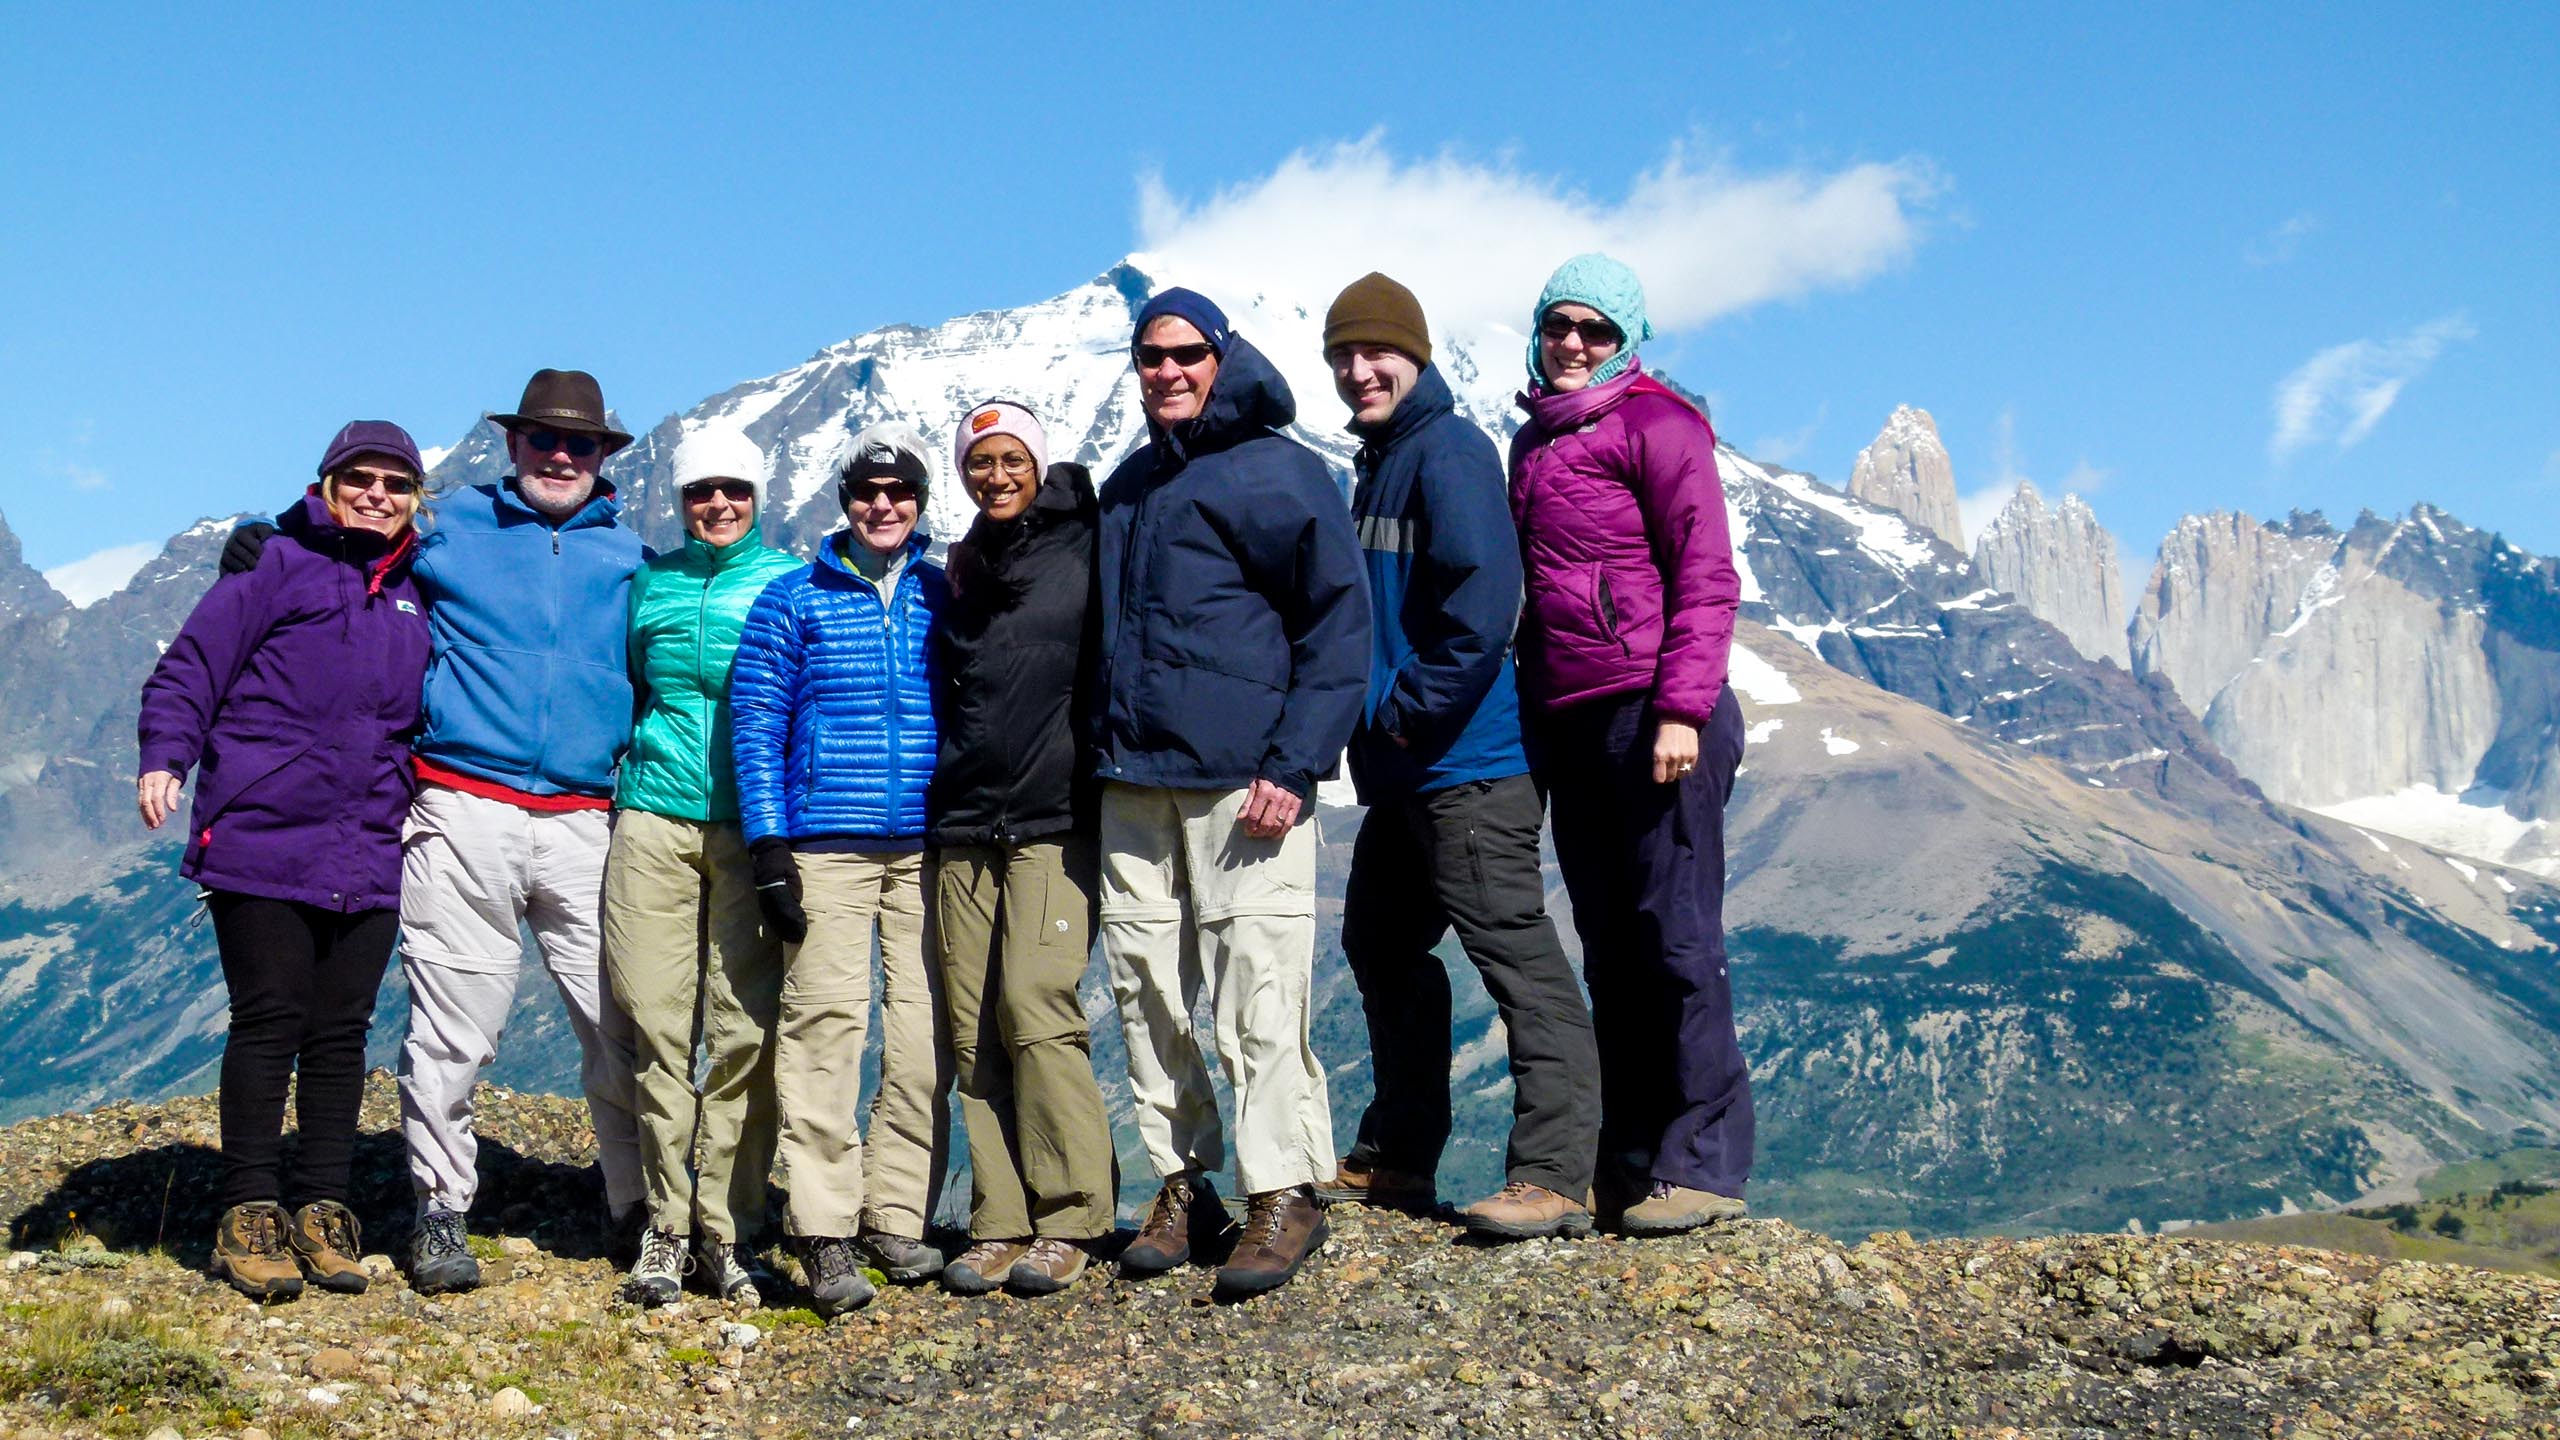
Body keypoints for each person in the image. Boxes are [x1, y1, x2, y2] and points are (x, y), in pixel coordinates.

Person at [1093, 288, 1371, 1297]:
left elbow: (1339, 630)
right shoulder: (1126, 487)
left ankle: (1285, 1190)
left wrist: (1294, 764)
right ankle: (1182, 1183)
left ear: (1222, 357)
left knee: (1256, 993)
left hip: (1243, 787)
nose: (1167, 371)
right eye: (1150, 357)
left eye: (1186, 355)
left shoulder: (1283, 474)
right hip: (1131, 784)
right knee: (1145, 995)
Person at [1317, 273, 1604, 1240]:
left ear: (1418, 355)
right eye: (1344, 356)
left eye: (1377, 352)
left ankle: (1556, 1173)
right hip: (1408, 769)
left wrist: (1400, 711)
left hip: (1468, 764)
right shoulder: (1383, 458)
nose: (1361, 370)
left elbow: (1484, 608)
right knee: (1382, 943)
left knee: (1516, 958)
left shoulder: (1448, 451)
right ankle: (1399, 1158)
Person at [139, 421, 433, 1299]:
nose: (376, 493)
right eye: (360, 478)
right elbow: (191, 667)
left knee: (342, 1032)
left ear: (417, 496)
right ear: (327, 483)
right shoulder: (271, 567)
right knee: (270, 1017)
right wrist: (166, 755)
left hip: (373, 837)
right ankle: (249, 1211)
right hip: (264, 829)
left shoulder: (424, 585)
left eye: (394, 482)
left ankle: (323, 1209)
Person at [1508, 254, 1751, 1233]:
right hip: (1574, 723)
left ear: (1628, 341)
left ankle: (1706, 1167)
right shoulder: (1532, 442)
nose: (1573, 343)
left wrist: (1683, 710)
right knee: (1610, 948)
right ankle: (1632, 1165)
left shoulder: (1660, 425)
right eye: (1558, 324)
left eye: (1595, 330)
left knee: (1677, 940)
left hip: (1655, 716)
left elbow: (1705, 573)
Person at [730, 421, 953, 1316]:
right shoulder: (793, 599)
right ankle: (823, 1230)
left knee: (923, 1033)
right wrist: (768, 846)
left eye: (900, 492)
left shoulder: (946, 594)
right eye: (868, 492)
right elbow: (754, 726)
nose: (884, 505)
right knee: (825, 1031)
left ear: (920, 503)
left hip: (927, 846)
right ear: (844, 503)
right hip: (824, 844)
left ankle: (895, 1212)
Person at [602, 425, 800, 1307]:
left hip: (751, 825)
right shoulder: (649, 584)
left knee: (741, 1027)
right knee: (652, 1021)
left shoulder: (790, 581)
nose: (717, 504)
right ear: (679, 502)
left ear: (758, 497)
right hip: (652, 817)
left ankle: (727, 1227)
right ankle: (664, 1223)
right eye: (698, 492)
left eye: (734, 490)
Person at [927, 401, 1115, 1297]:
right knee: (973, 1027)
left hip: (1051, 817)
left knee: (1037, 1006)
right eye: (979, 463)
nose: (996, 476)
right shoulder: (964, 563)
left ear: (1038, 463)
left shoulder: (1089, 542)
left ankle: (1073, 1213)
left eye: (1011, 460)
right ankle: (999, 1218)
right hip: (963, 823)